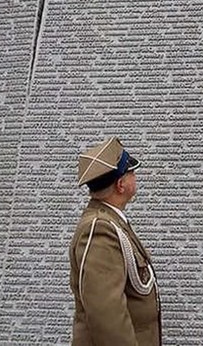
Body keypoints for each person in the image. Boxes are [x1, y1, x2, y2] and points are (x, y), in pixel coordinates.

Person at [69, 137, 161, 346]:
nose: (135, 177)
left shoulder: (111, 222)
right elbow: (106, 314)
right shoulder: (100, 230)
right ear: (121, 185)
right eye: (132, 173)